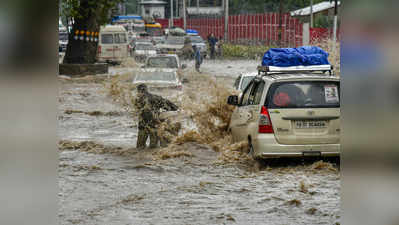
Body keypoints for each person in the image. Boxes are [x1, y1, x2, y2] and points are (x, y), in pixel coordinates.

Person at [134, 84, 179, 149]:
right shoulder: (155, 97)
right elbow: (171, 106)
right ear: (147, 89)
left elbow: (142, 112)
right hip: (154, 125)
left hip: (143, 126)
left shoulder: (137, 100)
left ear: (138, 91)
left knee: (140, 147)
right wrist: (176, 108)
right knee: (153, 147)